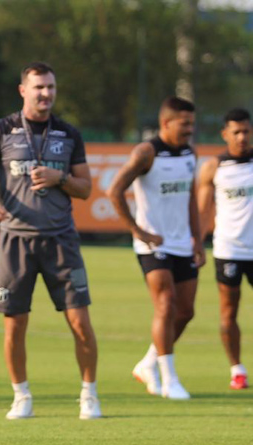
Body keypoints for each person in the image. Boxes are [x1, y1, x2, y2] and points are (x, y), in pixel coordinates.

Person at [0, 62, 101, 420]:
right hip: (15, 242)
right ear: (23, 90)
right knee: (14, 325)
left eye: (51, 87)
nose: (46, 94)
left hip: (62, 240)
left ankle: (89, 395)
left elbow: (86, 189)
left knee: (80, 323)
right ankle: (21, 396)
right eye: (39, 88)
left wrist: (58, 177)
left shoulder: (69, 133)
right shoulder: (1, 130)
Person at [108, 96, 205, 400]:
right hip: (153, 245)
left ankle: (149, 363)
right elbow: (114, 191)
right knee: (166, 304)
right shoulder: (146, 153)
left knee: (186, 311)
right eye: (184, 123)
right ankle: (170, 378)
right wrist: (138, 231)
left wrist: (197, 238)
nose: (190, 129)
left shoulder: (190, 152)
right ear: (166, 123)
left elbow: (189, 197)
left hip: (181, 242)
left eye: (192, 123)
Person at [197, 107, 253, 390]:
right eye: (236, 132)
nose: (242, 137)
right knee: (228, 312)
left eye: (246, 131)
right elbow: (203, 210)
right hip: (229, 250)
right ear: (225, 134)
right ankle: (237, 369)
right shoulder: (214, 167)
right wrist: (197, 244)